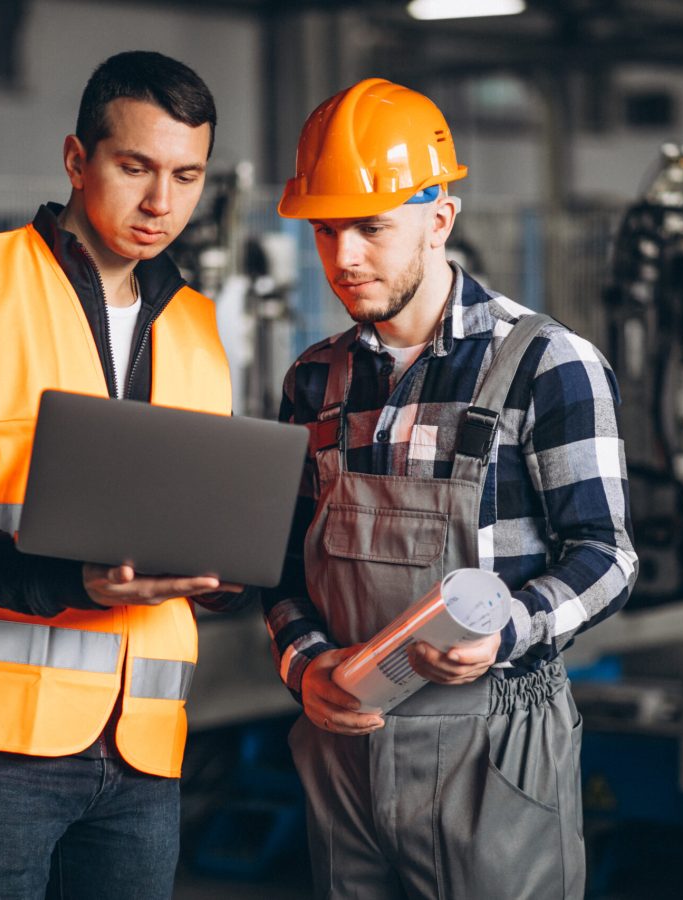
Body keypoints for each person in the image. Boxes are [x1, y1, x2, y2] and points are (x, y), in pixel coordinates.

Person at [262, 77, 638, 900]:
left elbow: (605, 557)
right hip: (344, 754)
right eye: (326, 230)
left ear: (440, 221)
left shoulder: (545, 363)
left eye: (370, 228)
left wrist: (510, 627)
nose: (344, 257)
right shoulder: (314, 380)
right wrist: (307, 666)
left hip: (494, 751)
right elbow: (283, 570)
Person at [0, 50, 248, 899]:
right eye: (137, 167)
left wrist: (226, 577)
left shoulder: (197, 324)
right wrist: (69, 582)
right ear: (77, 160)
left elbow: (201, 520)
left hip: (145, 751)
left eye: (187, 176)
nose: (163, 203)